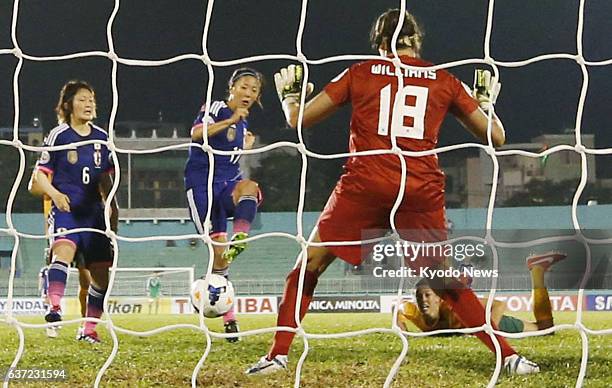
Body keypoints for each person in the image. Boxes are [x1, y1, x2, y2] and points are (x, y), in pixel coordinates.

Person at [247, 8, 538, 376]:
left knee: (307, 268)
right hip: (419, 187)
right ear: (416, 41)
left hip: (366, 182)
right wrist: (485, 106)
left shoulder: (361, 71)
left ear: (380, 44)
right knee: (445, 280)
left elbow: (298, 120)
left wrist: (291, 99)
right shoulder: (444, 79)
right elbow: (496, 137)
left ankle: (277, 356)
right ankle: (510, 358)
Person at [28, 80, 118, 344]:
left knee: (100, 276)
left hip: (94, 215)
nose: (89, 103)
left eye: (91, 99)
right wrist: (56, 194)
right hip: (66, 210)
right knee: (63, 253)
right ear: (68, 105)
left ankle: (88, 329)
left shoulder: (102, 137)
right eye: (82, 99)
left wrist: (112, 208)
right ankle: (54, 308)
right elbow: (39, 177)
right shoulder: (59, 135)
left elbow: (107, 180)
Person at [184, 67, 263, 342]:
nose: (248, 93)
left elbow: (231, 161)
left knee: (250, 187)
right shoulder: (217, 107)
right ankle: (230, 321)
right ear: (232, 88)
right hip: (202, 186)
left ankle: (240, 234)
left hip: (227, 184)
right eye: (244, 87)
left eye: (254, 90)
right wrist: (230, 120)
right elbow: (195, 133)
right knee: (219, 258)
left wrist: (246, 146)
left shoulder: (242, 127)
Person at [397, 252, 567, 334]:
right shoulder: (414, 311)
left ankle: (537, 270)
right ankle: (538, 269)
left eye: (427, 294)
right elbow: (396, 310)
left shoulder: (452, 306)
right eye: (419, 296)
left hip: (494, 324)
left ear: (439, 298)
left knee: (546, 330)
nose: (422, 300)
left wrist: (490, 330)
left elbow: (498, 304)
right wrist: (403, 331)